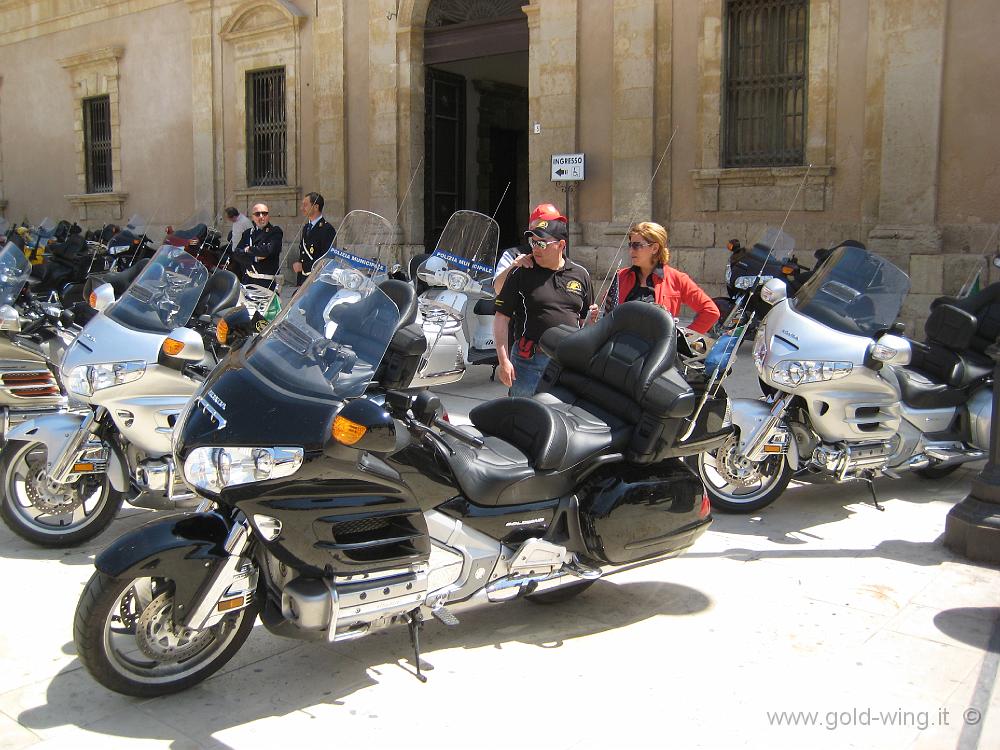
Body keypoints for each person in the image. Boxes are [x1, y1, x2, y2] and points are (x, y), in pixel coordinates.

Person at [494, 217, 593, 397]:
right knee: (524, 417)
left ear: (561, 244)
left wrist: (591, 323)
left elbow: (584, 319)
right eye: (533, 242)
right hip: (528, 362)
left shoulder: (580, 274)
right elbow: (501, 317)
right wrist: (503, 361)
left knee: (563, 419)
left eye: (542, 243)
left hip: (567, 363)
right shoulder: (521, 272)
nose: (535, 248)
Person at [595, 221, 719, 334]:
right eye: (630, 245)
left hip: (655, 354)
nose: (631, 251)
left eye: (637, 245)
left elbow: (711, 312)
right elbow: (608, 315)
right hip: (620, 349)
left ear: (654, 248)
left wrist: (682, 339)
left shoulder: (677, 279)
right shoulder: (621, 276)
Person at [493, 202, 567, 295]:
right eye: (545, 223)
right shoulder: (513, 255)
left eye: (555, 223)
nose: (551, 227)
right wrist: (513, 267)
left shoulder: (570, 266)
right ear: (531, 228)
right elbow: (498, 289)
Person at [232, 203, 283, 289]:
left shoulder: (275, 232)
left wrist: (249, 249)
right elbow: (237, 253)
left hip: (267, 283)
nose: (261, 216)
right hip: (249, 281)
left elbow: (269, 250)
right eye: (257, 214)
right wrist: (254, 258)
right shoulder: (248, 233)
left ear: (268, 216)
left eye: (264, 213)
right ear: (253, 217)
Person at [293, 192, 336, 286]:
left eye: (305, 205)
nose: (302, 208)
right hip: (304, 280)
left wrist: (303, 267)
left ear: (316, 207)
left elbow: (327, 258)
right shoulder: (306, 228)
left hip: (317, 281)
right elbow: (304, 254)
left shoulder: (327, 229)